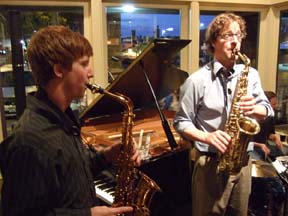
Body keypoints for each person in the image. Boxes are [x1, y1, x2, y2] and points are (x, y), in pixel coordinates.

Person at [0, 25, 140, 216]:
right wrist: (89, 214)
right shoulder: (28, 141)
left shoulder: (63, 118)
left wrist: (107, 155)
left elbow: (71, 173)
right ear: (58, 70)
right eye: (84, 64)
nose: (90, 72)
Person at [173, 13, 273, 215]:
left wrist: (255, 108)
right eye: (228, 35)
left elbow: (267, 109)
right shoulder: (196, 81)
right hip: (209, 164)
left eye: (238, 34)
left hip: (243, 162)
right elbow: (181, 122)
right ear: (213, 41)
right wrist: (207, 136)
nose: (235, 40)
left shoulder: (250, 74)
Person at [251, 91, 284, 160]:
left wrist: (275, 137)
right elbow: (246, 143)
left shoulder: (270, 116)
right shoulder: (252, 117)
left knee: (281, 155)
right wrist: (259, 145)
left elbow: (269, 134)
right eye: (274, 104)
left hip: (264, 145)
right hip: (252, 147)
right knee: (259, 160)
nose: (276, 106)